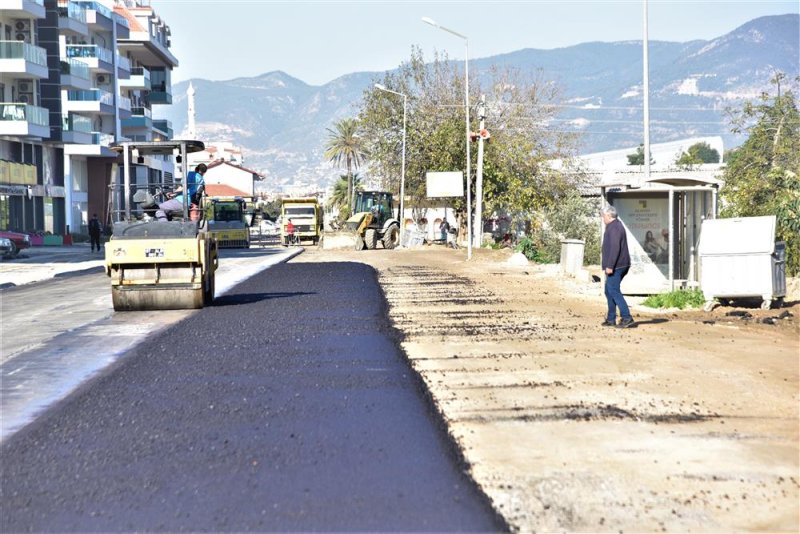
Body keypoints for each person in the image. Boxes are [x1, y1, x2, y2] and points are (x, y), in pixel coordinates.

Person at [601, 205, 634, 328]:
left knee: (613, 290)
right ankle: (611, 319)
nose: (602, 218)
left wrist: (610, 266)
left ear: (609, 215)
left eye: (603, 216)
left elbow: (615, 248)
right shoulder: (613, 226)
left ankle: (627, 317)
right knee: (608, 290)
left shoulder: (615, 227)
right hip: (618, 264)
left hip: (617, 265)